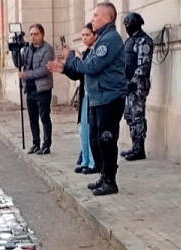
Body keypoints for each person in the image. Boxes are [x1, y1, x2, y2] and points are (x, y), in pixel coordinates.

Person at [48, 3, 125, 196]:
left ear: (107, 18)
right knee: (98, 140)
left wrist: (72, 58)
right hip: (98, 98)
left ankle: (110, 181)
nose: (93, 19)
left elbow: (91, 66)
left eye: (96, 15)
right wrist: (65, 67)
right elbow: (87, 66)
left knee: (107, 140)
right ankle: (104, 175)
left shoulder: (110, 39)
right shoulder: (101, 39)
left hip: (109, 98)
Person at [12, 24, 54, 155]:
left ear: (42, 34)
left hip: (42, 89)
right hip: (29, 89)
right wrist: (15, 51)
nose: (33, 37)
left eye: (36, 34)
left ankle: (46, 145)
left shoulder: (48, 49)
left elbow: (44, 70)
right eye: (31, 34)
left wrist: (26, 74)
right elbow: (19, 63)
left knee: (44, 117)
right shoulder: (27, 50)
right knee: (32, 118)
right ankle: (36, 143)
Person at [64, 23, 98, 175]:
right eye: (82, 35)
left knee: (91, 130)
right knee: (83, 129)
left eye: (87, 35)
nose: (84, 38)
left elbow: (86, 68)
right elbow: (77, 74)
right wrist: (64, 67)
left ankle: (93, 162)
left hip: (94, 96)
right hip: (85, 95)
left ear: (95, 36)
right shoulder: (87, 52)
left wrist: (73, 57)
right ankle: (85, 160)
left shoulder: (96, 52)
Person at [120, 12, 153, 162]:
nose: (127, 28)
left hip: (138, 85)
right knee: (130, 116)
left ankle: (140, 149)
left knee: (138, 117)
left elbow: (144, 65)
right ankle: (134, 146)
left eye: (129, 25)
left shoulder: (144, 41)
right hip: (128, 84)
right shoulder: (129, 41)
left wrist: (133, 81)